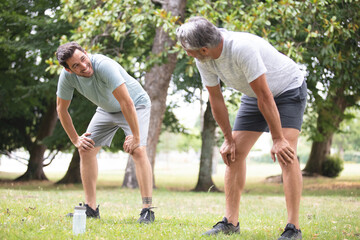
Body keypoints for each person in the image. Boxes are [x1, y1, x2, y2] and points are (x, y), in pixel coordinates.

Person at [176, 17, 306, 240]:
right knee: (233, 154)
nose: (187, 53)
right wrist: (227, 138)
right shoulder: (203, 60)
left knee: (286, 153)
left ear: (204, 49)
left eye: (188, 49)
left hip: (286, 90)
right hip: (255, 94)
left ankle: (293, 228)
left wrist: (277, 139)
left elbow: (266, 96)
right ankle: (230, 223)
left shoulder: (241, 48)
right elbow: (216, 99)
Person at [56, 42, 155, 224]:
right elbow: (61, 109)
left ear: (86, 52)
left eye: (83, 59)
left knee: (138, 150)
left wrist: (136, 138)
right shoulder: (67, 78)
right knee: (85, 148)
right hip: (106, 109)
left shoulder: (104, 65)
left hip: (136, 104)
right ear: (69, 70)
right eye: (76, 66)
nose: (83, 66)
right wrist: (76, 139)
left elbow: (127, 103)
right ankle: (91, 209)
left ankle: (147, 210)